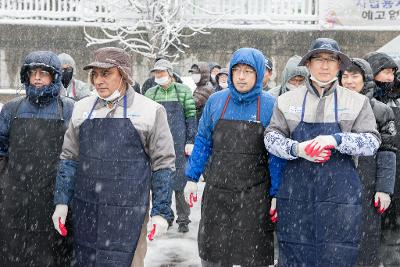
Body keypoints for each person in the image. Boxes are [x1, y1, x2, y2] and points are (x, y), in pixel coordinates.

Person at [51, 47, 175, 267]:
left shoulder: (150, 111)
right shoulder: (81, 109)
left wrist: (161, 211)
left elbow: (163, 164)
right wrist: (62, 201)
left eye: (106, 73)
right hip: (87, 209)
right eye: (95, 74)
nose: (98, 81)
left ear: (124, 74)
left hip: (129, 212)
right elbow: (69, 158)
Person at [264, 37, 381, 266]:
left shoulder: (357, 102)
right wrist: (297, 148)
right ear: (308, 64)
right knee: (296, 254)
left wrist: (336, 140)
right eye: (318, 59)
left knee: (337, 254)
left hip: (340, 198)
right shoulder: (286, 101)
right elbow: (270, 138)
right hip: (296, 198)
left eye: (331, 60)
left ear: (339, 65)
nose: (325, 65)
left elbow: (372, 142)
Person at [184, 48, 280, 266]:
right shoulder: (216, 101)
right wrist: (191, 176)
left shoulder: (270, 105)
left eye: (248, 71)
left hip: (255, 195)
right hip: (218, 192)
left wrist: (277, 192)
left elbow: (276, 155)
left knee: (253, 256)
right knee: (214, 255)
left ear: (258, 74)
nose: (242, 76)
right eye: (237, 71)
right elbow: (203, 141)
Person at [0, 51, 75, 266]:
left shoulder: (68, 108)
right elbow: (1, 149)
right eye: (33, 73)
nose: (38, 77)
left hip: (54, 194)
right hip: (15, 196)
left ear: (55, 77)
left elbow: (74, 153)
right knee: (13, 249)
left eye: (44, 73)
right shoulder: (12, 108)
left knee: (52, 252)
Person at [339, 58, 396, 266]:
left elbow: (388, 151)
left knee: (366, 240)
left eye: (355, 76)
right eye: (345, 76)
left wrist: (384, 189)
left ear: (366, 80)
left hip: (368, 184)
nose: (349, 81)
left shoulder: (381, 111)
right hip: (336, 182)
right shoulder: (332, 106)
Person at [145, 59, 197, 233]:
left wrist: (190, 140)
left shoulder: (183, 91)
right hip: (159, 142)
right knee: (163, 180)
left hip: (180, 141)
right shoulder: (151, 93)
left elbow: (190, 116)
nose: (159, 76)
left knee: (180, 183)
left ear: (170, 73)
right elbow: (147, 120)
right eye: (156, 73)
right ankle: (165, 216)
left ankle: (184, 219)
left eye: (162, 73)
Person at [364, 51, 400, 266]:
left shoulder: (395, 100)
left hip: (395, 178)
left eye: (392, 73)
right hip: (370, 177)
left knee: (392, 241)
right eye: (384, 72)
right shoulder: (364, 103)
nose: (389, 77)